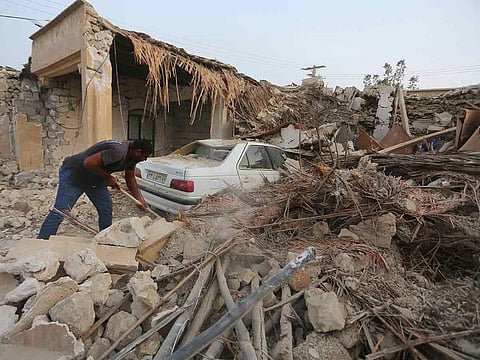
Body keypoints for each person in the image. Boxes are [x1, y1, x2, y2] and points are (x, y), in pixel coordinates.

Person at [38, 139, 153, 240]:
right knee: (61, 211)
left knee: (105, 208)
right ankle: (41, 242)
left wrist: (139, 199)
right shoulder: (118, 151)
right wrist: (108, 177)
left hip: (94, 178)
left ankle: (105, 239)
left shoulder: (132, 157)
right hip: (74, 174)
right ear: (138, 152)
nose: (144, 159)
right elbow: (89, 163)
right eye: (145, 156)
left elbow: (130, 176)